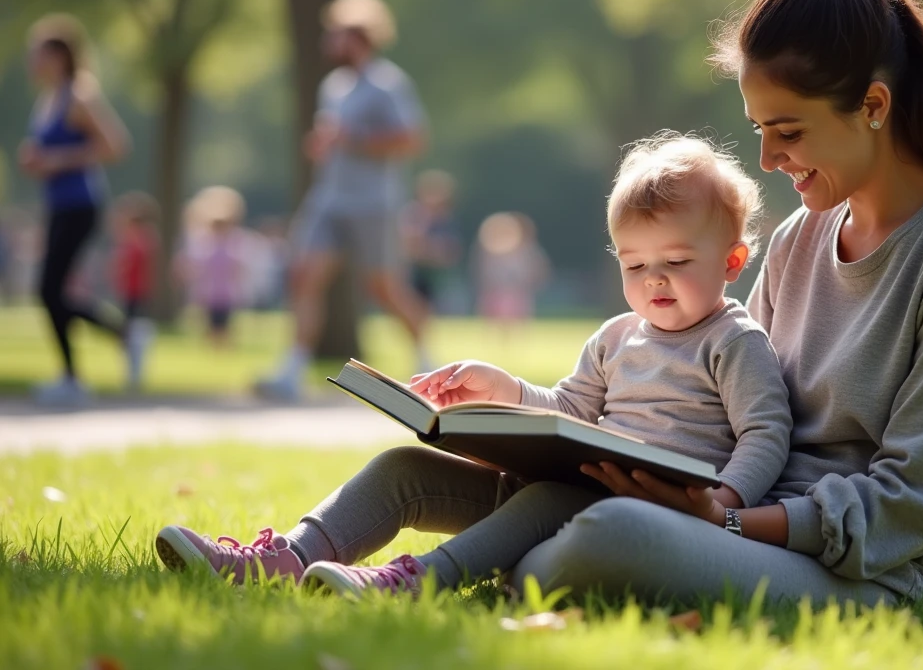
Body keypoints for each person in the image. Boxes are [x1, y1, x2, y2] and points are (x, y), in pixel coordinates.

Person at [155, 0, 923, 608]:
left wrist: (727, 517)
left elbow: (909, 505)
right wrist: (542, 421)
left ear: (876, 106)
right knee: (410, 477)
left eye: (789, 132)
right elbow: (729, 407)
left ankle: (459, 577)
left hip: (889, 571)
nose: (772, 161)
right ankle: (278, 565)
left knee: (610, 532)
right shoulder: (804, 238)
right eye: (758, 133)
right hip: (736, 520)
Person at [154, 134, 793, 594]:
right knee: (402, 468)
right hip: (563, 483)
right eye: (634, 265)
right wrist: (506, 390)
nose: (654, 281)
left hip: (643, 507)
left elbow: (767, 432)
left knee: (546, 496)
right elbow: (569, 411)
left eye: (676, 263)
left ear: (732, 263)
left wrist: (723, 504)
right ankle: (288, 558)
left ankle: (417, 583)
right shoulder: (617, 335)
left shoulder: (732, 340)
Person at [254, 0, 432, 400]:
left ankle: (427, 360)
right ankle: (293, 369)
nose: (329, 41)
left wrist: (354, 140)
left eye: (336, 34)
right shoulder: (333, 87)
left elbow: (411, 139)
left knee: (385, 287)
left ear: (358, 37)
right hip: (330, 199)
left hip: (374, 202)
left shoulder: (388, 84)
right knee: (304, 276)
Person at [18, 14, 145, 405]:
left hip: (82, 204)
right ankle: (121, 338)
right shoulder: (49, 98)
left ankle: (75, 376)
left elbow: (116, 145)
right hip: (59, 205)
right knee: (50, 290)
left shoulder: (79, 95)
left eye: (37, 54)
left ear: (58, 56)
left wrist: (57, 159)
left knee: (49, 289)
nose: (31, 62)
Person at [176, 186, 251, 349]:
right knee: (211, 320)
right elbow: (196, 263)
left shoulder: (235, 242)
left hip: (226, 292)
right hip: (209, 292)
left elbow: (239, 266)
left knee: (224, 320)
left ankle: (223, 345)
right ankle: (213, 345)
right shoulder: (204, 242)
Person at [109, 191, 160, 388]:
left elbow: (126, 264)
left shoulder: (138, 241)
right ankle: (132, 371)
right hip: (131, 292)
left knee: (134, 332)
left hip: (136, 292)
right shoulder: (139, 239)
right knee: (131, 330)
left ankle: (134, 373)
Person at [471, 211, 550, 336]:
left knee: (515, 314)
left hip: (516, 289)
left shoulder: (527, 251)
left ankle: (512, 336)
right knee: (495, 314)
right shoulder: (490, 253)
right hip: (496, 288)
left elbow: (536, 269)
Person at [400, 169, 463, 313]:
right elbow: (406, 246)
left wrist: (427, 248)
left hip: (438, 278)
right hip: (413, 275)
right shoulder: (412, 215)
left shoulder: (447, 220)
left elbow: (451, 252)